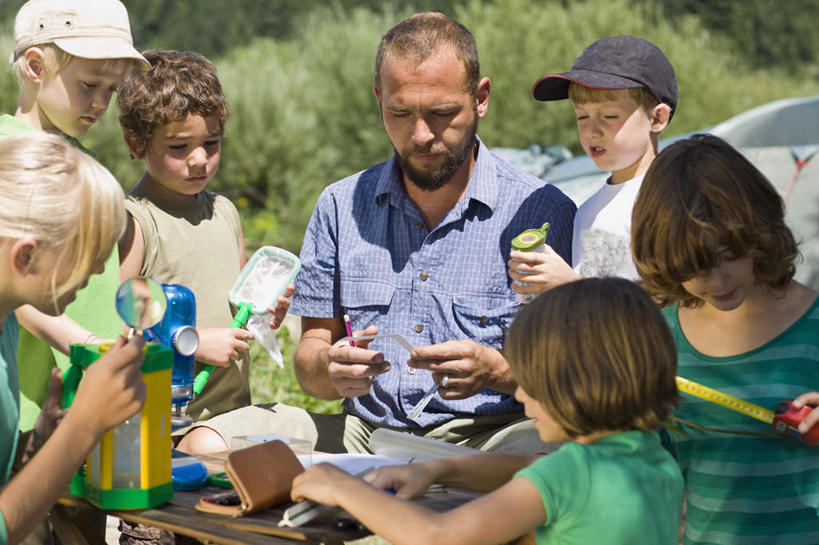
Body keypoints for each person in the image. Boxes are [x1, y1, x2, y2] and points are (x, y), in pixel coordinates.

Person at [177, 12, 576, 455]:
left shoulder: (541, 211)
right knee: (206, 444)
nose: (420, 135)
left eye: (442, 114)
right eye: (399, 113)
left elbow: (570, 374)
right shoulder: (339, 206)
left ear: (480, 99)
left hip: (491, 439)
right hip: (362, 436)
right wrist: (331, 369)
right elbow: (311, 357)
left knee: (558, 458)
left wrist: (498, 372)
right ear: (377, 98)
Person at [290, 277, 684, 545]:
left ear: (577, 383)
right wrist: (436, 469)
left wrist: (343, 487)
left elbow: (437, 536)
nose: (523, 396)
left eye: (531, 380)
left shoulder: (568, 475)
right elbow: (530, 468)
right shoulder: (653, 458)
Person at [630, 134, 819, 544]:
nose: (716, 281)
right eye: (692, 265)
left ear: (760, 230)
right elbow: (645, 473)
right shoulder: (661, 341)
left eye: (730, 255)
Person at [116, 49, 292, 422]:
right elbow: (117, 329)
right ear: (135, 144)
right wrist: (192, 344)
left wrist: (265, 316)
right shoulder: (136, 223)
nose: (199, 159)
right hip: (164, 424)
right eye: (179, 147)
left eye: (211, 143)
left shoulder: (225, 212)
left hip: (232, 413)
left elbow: (239, 310)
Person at [2, 0, 149, 432]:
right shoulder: (12, 154)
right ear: (34, 66)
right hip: (33, 404)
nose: (101, 102)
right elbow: (14, 283)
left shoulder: (83, 161)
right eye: (89, 84)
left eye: (112, 89)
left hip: (90, 385)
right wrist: (87, 347)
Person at [0, 132, 147, 545]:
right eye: (88, 254)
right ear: (25, 256)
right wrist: (84, 424)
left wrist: (42, 446)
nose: (99, 272)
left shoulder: (7, 322)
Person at [507, 35, 676, 296]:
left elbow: (670, 304)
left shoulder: (669, 201)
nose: (591, 131)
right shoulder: (587, 210)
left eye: (609, 116)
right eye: (582, 115)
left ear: (657, 118)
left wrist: (568, 284)